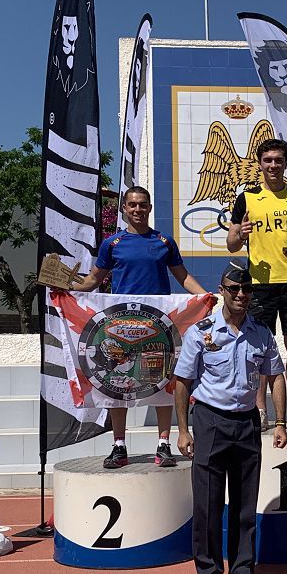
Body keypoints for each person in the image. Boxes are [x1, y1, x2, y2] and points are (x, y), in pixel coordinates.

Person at [174, 260, 287, 574]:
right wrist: (183, 430)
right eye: (234, 289)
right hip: (210, 420)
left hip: (246, 423)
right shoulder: (201, 332)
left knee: (244, 503)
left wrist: (281, 421)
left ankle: (242, 571)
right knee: (208, 503)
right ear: (222, 291)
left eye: (247, 289)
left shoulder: (262, 333)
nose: (241, 295)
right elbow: (182, 382)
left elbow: (277, 376)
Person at [72, 186, 208, 470]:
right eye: (132, 205)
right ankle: (119, 446)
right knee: (117, 387)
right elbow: (92, 282)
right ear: (123, 208)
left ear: (149, 208)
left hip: (157, 326)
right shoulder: (112, 244)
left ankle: (164, 444)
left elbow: (183, 278)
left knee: (162, 382)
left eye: (142, 205)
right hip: (119, 327)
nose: (137, 210)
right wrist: (65, 287)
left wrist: (205, 297)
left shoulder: (164, 241)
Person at [227, 138, 287, 433]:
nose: (273, 165)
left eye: (278, 160)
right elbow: (231, 244)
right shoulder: (247, 198)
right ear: (260, 163)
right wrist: (240, 233)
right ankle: (260, 411)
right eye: (267, 160)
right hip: (260, 284)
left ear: (285, 163)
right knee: (258, 349)